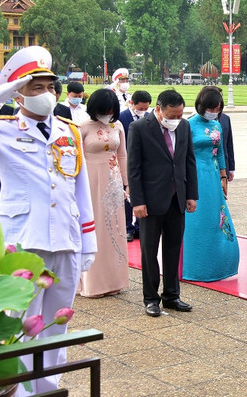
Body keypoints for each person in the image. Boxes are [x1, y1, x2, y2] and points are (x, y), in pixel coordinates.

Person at [0, 46, 97, 394]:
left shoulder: (69, 132)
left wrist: (89, 242)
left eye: (50, 86)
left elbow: (80, 191)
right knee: (19, 325)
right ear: (18, 94)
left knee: (56, 326)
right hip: (22, 242)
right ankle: (20, 391)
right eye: (35, 87)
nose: (47, 94)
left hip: (65, 241)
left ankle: (47, 389)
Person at [127, 90, 198, 316]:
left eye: (180, 115)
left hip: (177, 198)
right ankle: (151, 298)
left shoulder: (184, 127)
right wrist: (137, 201)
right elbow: (134, 167)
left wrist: (191, 195)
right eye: (171, 115)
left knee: (173, 248)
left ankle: (171, 295)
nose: (176, 119)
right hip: (150, 200)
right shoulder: (139, 128)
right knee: (149, 251)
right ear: (158, 109)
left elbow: (189, 161)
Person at [182, 86, 239, 282]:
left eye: (218, 109)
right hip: (195, 174)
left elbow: (221, 151)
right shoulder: (188, 125)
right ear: (201, 105)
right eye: (211, 108)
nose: (214, 112)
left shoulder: (217, 126)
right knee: (198, 218)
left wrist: (223, 177)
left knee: (217, 216)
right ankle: (194, 265)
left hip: (213, 175)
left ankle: (220, 262)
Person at [78, 89, 129, 297]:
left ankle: (114, 280)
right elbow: (76, 159)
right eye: (103, 110)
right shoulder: (81, 127)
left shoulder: (117, 125)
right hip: (89, 180)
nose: (107, 114)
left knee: (114, 228)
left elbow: (123, 155)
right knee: (94, 227)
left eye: (110, 110)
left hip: (113, 180)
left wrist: (127, 184)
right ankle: (91, 283)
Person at [119, 90, 152, 242]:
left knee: (141, 194)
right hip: (125, 161)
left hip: (144, 163)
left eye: (146, 109)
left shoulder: (149, 118)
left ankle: (140, 226)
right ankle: (128, 227)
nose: (143, 112)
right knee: (126, 196)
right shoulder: (121, 118)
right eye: (141, 108)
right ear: (132, 103)